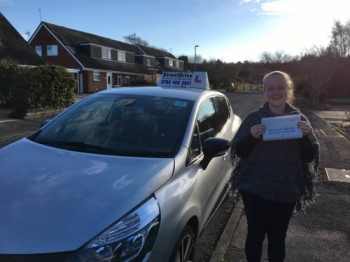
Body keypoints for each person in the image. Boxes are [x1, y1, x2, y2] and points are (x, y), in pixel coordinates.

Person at [230, 71, 320, 262]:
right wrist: (251, 137)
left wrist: (304, 137)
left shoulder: (299, 119)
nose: (276, 92)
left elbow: (310, 156)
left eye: (281, 87)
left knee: (277, 239)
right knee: (255, 235)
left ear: (288, 90)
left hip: (287, 189)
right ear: (265, 91)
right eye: (271, 88)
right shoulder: (254, 118)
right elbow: (239, 151)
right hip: (254, 189)